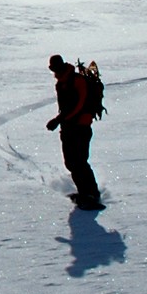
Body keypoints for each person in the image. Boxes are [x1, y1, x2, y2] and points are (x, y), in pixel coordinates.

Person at [46, 54, 102, 208]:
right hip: (68, 127)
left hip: (81, 126)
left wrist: (59, 119)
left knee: (79, 161)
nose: (54, 72)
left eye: (55, 68)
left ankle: (91, 194)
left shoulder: (76, 80)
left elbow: (78, 104)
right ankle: (85, 192)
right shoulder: (61, 83)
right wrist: (61, 121)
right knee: (71, 162)